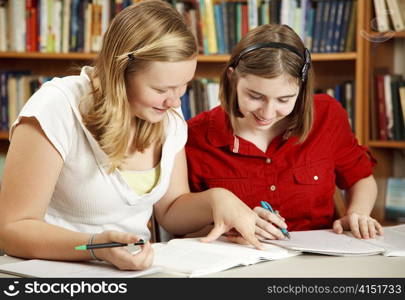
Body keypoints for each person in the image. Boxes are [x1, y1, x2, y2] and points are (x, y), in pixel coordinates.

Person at [0, 0, 262, 271]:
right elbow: (13, 231)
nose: (175, 102)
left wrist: (218, 200)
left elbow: (171, 210)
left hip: (134, 274)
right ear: (120, 74)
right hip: (49, 277)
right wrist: (95, 247)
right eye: (162, 89)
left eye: (184, 86)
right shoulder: (56, 108)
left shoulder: (165, 117)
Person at [186, 24, 384, 243]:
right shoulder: (196, 135)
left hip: (320, 259)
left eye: (284, 99)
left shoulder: (327, 115)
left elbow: (361, 178)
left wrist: (357, 213)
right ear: (232, 79)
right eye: (255, 96)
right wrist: (227, 228)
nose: (267, 113)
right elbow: (184, 228)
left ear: (302, 90)